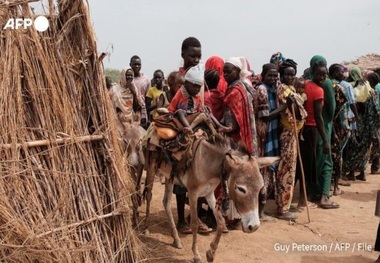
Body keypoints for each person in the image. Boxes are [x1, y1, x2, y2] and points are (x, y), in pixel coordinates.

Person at [297, 57, 332, 209]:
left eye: (324, 75)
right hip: (311, 130)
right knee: (307, 166)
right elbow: (319, 117)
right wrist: (325, 140)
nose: (322, 78)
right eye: (319, 75)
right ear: (313, 73)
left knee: (301, 164)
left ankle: (301, 199)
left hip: (300, 128)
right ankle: (303, 201)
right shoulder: (318, 90)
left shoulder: (304, 85)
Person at [275, 59, 308, 220]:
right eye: (286, 74)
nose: (289, 77)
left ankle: (286, 204)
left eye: (292, 75)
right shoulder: (282, 89)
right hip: (287, 133)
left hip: (293, 132)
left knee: (292, 168)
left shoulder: (292, 89)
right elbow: (291, 108)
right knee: (286, 169)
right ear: (281, 75)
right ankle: (282, 207)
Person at [168, 64, 231, 134]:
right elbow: (173, 104)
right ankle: (188, 127)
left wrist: (203, 109)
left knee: (207, 112)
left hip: (193, 114)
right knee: (179, 112)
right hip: (183, 115)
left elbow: (199, 107)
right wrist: (170, 112)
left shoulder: (197, 95)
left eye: (199, 87)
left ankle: (219, 126)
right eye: (194, 86)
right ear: (186, 83)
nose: (197, 89)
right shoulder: (181, 92)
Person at [344, 67, 379, 181]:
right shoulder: (372, 93)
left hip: (359, 124)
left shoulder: (360, 91)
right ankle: (362, 173)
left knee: (354, 148)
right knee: (364, 149)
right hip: (368, 126)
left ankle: (352, 173)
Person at [328, 64, 348, 196]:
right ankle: (335, 187)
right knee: (336, 156)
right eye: (341, 72)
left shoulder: (325, 84)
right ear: (335, 72)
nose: (343, 74)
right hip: (336, 127)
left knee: (327, 157)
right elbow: (342, 112)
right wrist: (344, 127)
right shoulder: (338, 87)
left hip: (326, 127)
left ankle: (327, 185)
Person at [129, 55, 151, 129]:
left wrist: (148, 116)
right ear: (130, 65)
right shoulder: (127, 79)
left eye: (139, 64)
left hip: (142, 113)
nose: (137, 66)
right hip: (129, 112)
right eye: (134, 64)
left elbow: (148, 100)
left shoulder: (146, 80)